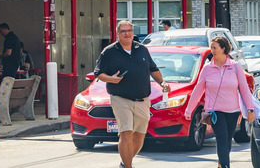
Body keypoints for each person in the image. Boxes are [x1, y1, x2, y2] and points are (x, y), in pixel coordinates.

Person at [94, 20, 169, 168]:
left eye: (129, 31)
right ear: (118, 33)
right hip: (120, 98)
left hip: (142, 99)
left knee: (139, 135)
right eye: (123, 31)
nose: (127, 34)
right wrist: (112, 79)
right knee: (126, 132)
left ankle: (125, 162)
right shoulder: (109, 52)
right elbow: (98, 73)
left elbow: (153, 69)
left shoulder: (142, 49)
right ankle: (128, 166)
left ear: (132, 32)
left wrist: (162, 83)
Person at [185, 36, 255, 168]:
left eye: (215, 48)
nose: (212, 50)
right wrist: (189, 109)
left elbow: (244, 89)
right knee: (222, 138)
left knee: (227, 141)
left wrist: (250, 109)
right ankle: (225, 166)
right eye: (211, 48)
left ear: (224, 49)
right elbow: (198, 90)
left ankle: (221, 163)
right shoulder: (207, 68)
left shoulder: (235, 67)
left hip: (233, 111)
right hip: (215, 111)